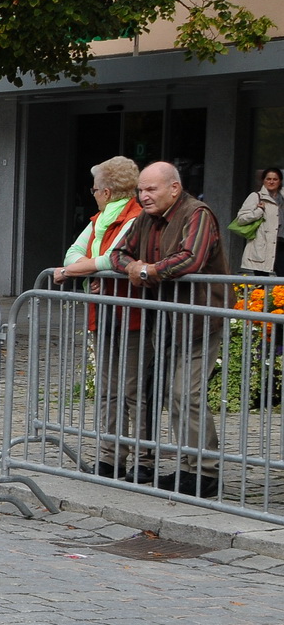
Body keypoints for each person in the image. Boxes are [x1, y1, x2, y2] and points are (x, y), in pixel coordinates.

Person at [110, 162, 229, 498]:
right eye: (141, 190)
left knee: (186, 394)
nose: (144, 196)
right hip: (164, 321)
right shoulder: (144, 220)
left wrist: (147, 271)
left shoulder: (197, 213)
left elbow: (190, 258)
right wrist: (133, 265)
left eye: (151, 189)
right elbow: (117, 253)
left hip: (199, 320)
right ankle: (189, 469)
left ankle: (205, 473)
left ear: (174, 188)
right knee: (172, 396)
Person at [52, 157, 145, 481]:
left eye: (94, 189)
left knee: (133, 390)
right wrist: (94, 268)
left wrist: (91, 268)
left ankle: (142, 460)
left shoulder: (135, 217)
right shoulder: (99, 219)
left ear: (106, 190)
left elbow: (115, 259)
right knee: (107, 388)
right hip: (104, 313)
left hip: (133, 313)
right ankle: (110, 458)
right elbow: (72, 254)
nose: (93, 194)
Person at [233, 167, 283, 278]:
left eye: (275, 179)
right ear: (263, 181)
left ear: (280, 181)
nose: (271, 182)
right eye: (268, 179)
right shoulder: (256, 197)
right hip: (263, 246)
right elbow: (241, 219)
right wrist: (259, 211)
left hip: (281, 244)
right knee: (261, 283)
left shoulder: (282, 198)